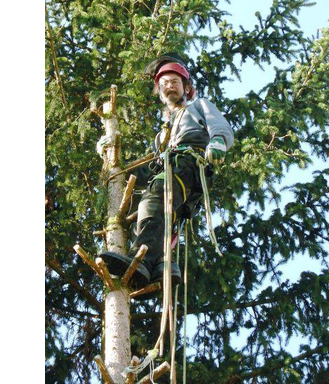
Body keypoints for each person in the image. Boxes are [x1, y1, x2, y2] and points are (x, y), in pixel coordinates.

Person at [98, 53, 235, 290]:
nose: (169, 86)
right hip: (171, 169)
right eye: (164, 84)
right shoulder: (161, 136)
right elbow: (145, 171)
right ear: (159, 92)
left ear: (186, 87)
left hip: (187, 164)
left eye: (174, 82)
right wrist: (110, 155)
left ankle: (139, 258)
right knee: (153, 210)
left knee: (152, 202)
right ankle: (162, 265)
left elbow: (219, 125)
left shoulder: (198, 107)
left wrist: (218, 142)